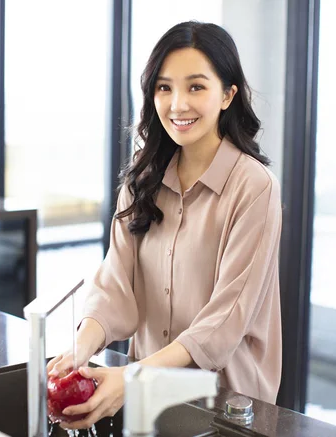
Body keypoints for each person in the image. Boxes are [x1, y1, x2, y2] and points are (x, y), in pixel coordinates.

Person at [47, 20, 283, 430]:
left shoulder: (254, 187)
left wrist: (133, 376)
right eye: (164, 87)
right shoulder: (142, 181)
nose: (177, 104)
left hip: (226, 407)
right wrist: (81, 348)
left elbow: (224, 322)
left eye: (196, 86)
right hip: (148, 400)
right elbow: (115, 284)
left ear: (228, 95)